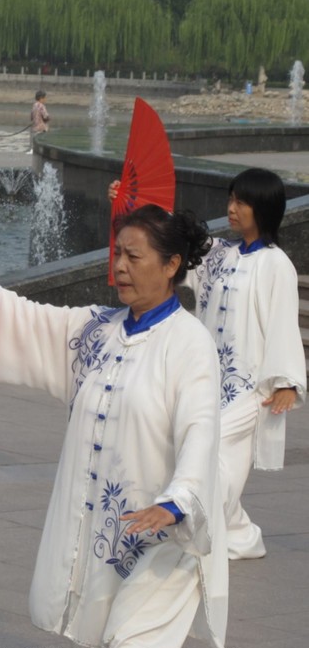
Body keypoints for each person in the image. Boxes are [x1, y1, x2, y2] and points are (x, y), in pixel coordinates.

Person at [0, 205, 227, 648]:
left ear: (171, 265)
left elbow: (202, 427)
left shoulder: (189, 342)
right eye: (117, 253)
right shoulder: (95, 330)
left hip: (166, 540)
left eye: (134, 256)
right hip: (102, 537)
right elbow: (19, 318)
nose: (120, 266)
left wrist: (178, 500)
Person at [110, 169, 306, 560]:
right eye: (231, 200)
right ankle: (238, 531)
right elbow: (169, 239)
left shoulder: (276, 264)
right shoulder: (218, 253)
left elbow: (284, 323)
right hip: (206, 378)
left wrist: (286, 381)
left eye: (242, 203)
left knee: (214, 457)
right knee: (199, 452)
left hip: (247, 388)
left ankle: (219, 529)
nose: (232, 209)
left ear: (263, 208)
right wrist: (131, 203)